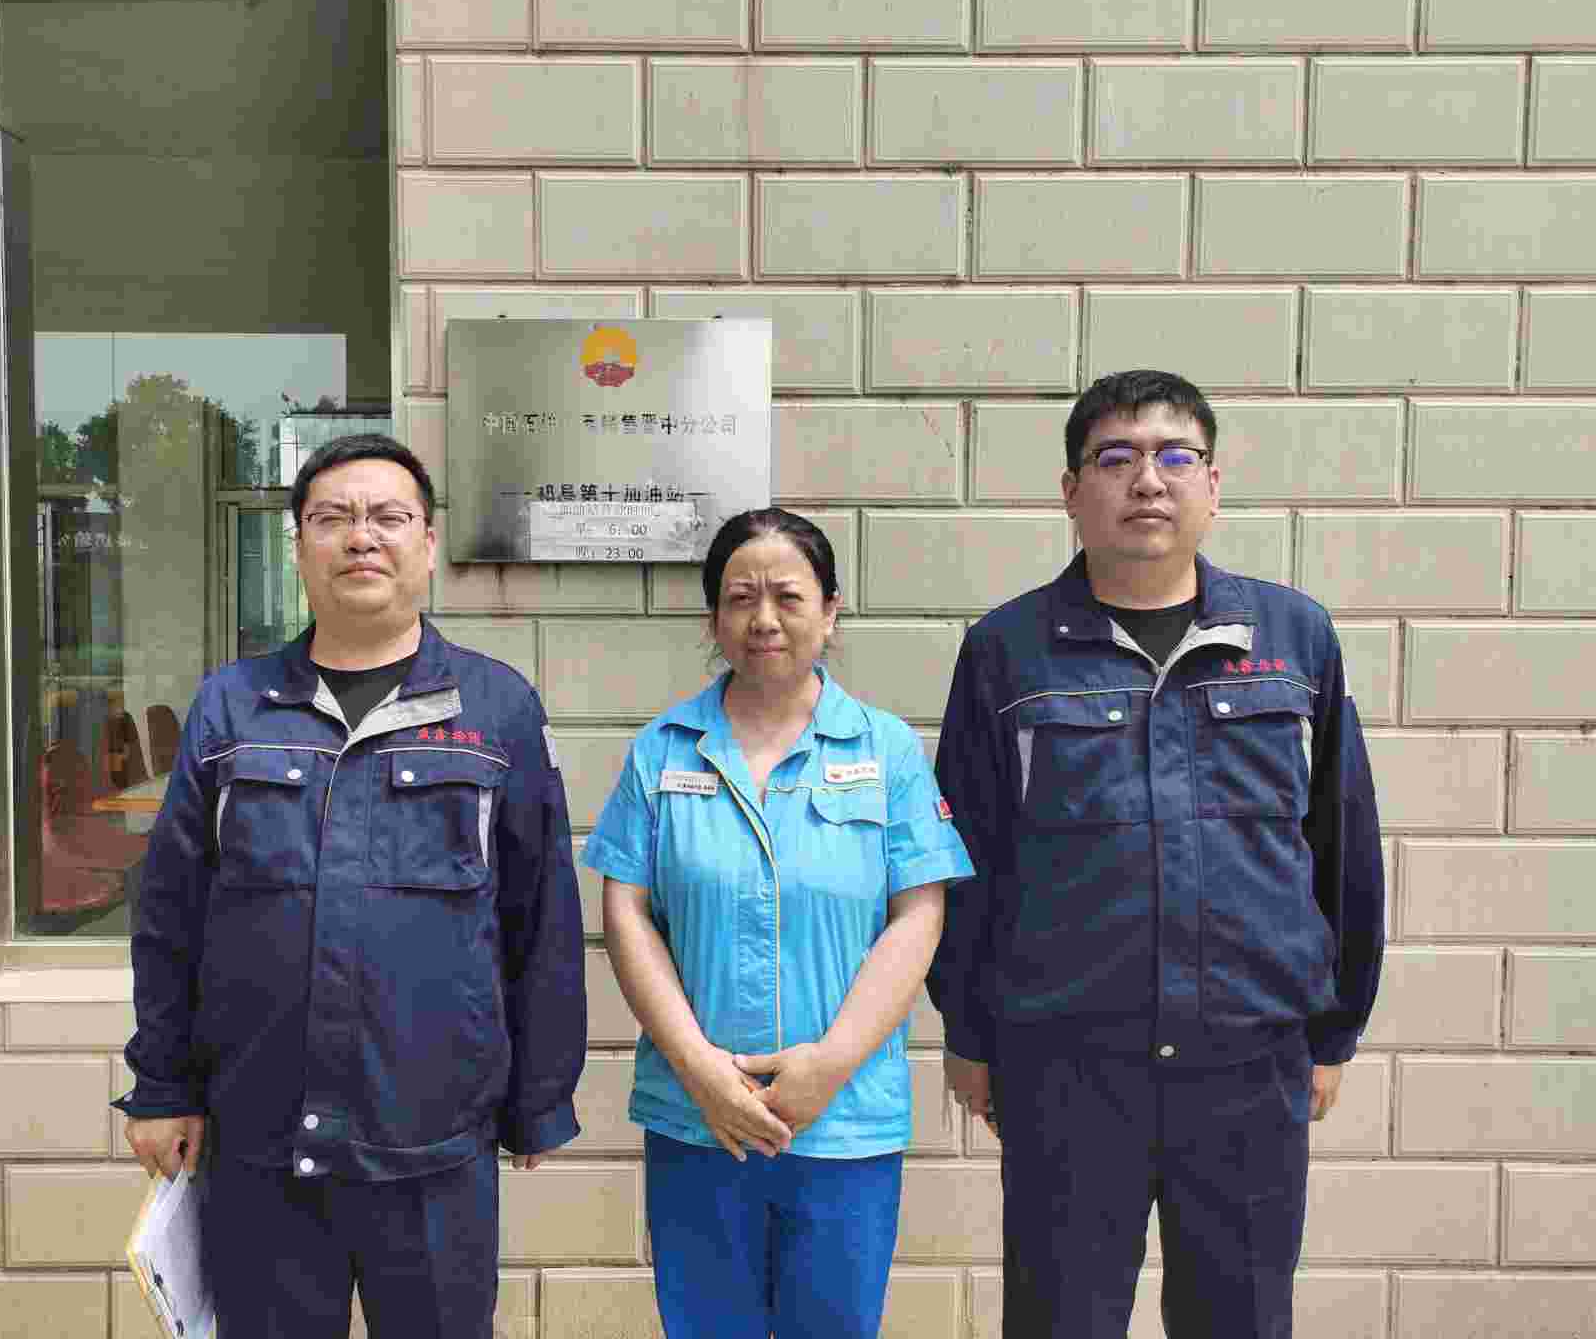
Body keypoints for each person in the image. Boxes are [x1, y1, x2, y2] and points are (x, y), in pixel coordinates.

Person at [930, 370, 1385, 1339]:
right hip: (1067, 1066)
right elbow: (966, 857)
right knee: (1059, 1319)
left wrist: (1334, 1029)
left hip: (1249, 1062)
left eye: (1176, 456)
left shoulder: (1294, 638)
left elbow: (1342, 844)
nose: (1148, 479)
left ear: (1212, 485)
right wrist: (967, 1031)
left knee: (1241, 1319)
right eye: (1117, 458)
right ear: (1072, 491)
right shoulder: (1007, 651)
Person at [114, 434, 585, 1338]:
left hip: (435, 1148)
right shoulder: (233, 707)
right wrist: (162, 1086)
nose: (361, 537)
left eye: (388, 517)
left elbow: (541, 921)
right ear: (298, 547)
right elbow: (171, 915)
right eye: (332, 518)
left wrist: (539, 1097)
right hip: (261, 1141)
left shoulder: (495, 709)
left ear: (428, 544)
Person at [585, 508, 972, 1339]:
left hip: (844, 1120)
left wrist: (828, 1066)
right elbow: (627, 912)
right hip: (699, 1118)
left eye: (788, 596)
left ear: (830, 611)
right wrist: (700, 1071)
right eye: (740, 598)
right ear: (713, 619)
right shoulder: (663, 751)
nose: (764, 618)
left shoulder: (888, 752)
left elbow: (918, 913)